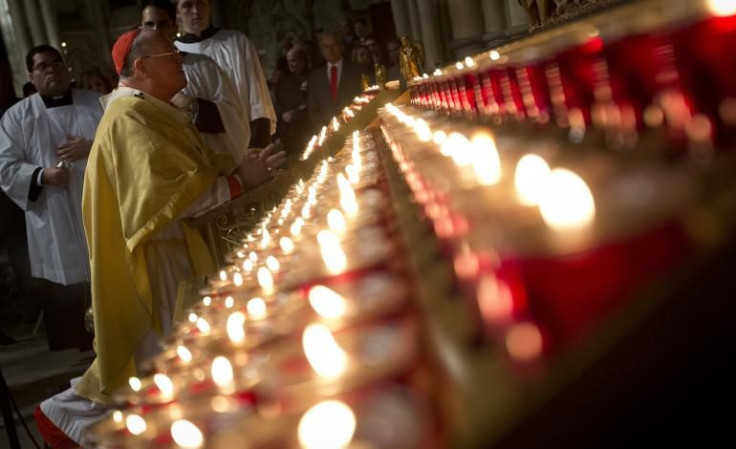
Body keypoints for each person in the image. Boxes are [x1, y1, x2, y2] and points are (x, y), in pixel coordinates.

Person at [34, 28, 286, 448]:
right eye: (170, 54)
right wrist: (239, 181)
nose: (180, 59)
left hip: (176, 251)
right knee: (164, 366)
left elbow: (190, 171)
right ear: (142, 67)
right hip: (157, 264)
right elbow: (171, 198)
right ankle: (72, 417)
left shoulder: (150, 110)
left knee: (172, 367)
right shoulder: (129, 117)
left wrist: (238, 168)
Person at [0, 45, 102, 352]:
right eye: (43, 66)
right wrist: (42, 175)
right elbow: (5, 167)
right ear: (31, 75)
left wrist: (91, 147)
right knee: (68, 286)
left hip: (97, 204)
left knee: (104, 272)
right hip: (54, 211)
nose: (52, 70)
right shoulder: (17, 116)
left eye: (56, 63)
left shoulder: (95, 103)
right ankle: (81, 352)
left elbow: (121, 142)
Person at [141, 0, 250, 162]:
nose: (156, 31)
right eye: (149, 25)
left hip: (210, 162)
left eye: (163, 24)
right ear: (140, 30)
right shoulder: (138, 76)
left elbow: (233, 118)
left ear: (174, 28)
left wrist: (191, 105)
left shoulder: (203, 66)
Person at [175, 0, 277, 149]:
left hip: (243, 140)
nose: (196, 11)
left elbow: (256, 100)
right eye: (188, 5)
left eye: (201, 4)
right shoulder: (175, 53)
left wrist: (258, 148)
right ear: (177, 11)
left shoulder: (235, 42)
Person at [307, 32, 364, 128]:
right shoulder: (315, 77)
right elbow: (313, 110)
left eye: (334, 45)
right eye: (326, 47)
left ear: (342, 47)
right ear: (322, 50)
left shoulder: (357, 70)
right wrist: (327, 129)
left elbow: (365, 97)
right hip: (329, 132)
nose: (330, 50)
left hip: (356, 125)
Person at [275, 46, 311, 156]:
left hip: (307, 129)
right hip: (290, 133)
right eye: (289, 61)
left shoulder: (312, 79)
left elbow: (311, 102)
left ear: (302, 60)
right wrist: (283, 114)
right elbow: (279, 103)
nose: (291, 64)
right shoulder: (287, 82)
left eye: (294, 61)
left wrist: (295, 114)